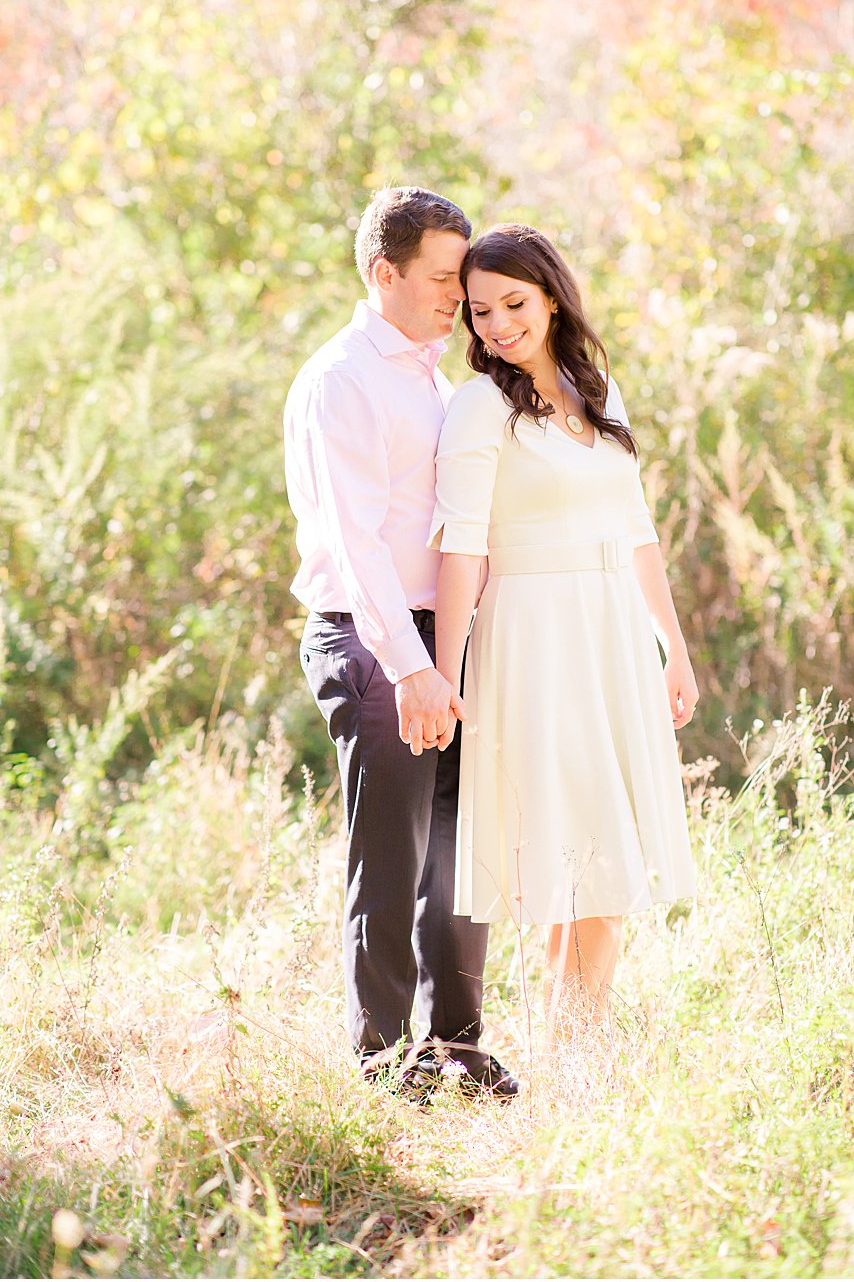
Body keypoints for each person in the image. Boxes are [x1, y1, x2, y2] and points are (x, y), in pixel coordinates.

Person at [429, 223, 699, 1038]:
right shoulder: (479, 408)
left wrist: (672, 646)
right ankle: (580, 1050)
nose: (497, 326)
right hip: (534, 637)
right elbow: (461, 550)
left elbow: (638, 529)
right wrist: (447, 676)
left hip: (613, 631)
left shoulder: (598, 391)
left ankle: (571, 1042)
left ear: (551, 296)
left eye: (513, 303)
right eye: (479, 312)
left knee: (599, 848)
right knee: (576, 854)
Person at [284, 187, 518, 1102]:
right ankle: (380, 1066)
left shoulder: (430, 373)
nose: (455, 296)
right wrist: (412, 668)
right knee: (390, 854)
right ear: (383, 273)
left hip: (444, 636)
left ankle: (454, 1048)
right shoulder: (341, 379)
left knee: (463, 848)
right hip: (375, 641)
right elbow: (357, 542)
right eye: (436, 278)